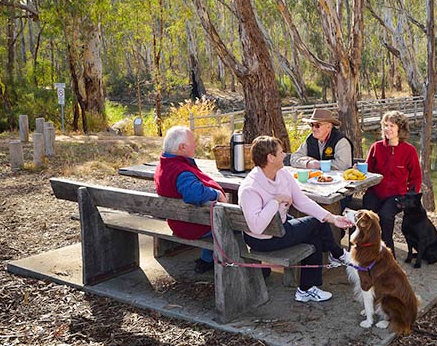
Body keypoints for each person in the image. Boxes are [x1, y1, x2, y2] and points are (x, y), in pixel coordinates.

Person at [239, 135, 353, 302]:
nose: (285, 155)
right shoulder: (250, 188)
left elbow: (302, 201)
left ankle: (307, 288)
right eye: (280, 152)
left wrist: (332, 218)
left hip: (281, 227)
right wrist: (275, 201)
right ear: (270, 158)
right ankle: (336, 254)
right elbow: (256, 227)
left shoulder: (282, 173)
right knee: (315, 224)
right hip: (263, 239)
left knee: (314, 234)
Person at [154, 125, 228, 274]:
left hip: (178, 221)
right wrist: (217, 194)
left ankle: (205, 261)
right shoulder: (180, 171)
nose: (196, 145)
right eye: (193, 142)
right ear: (182, 147)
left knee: (219, 218)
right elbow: (194, 194)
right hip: (192, 226)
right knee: (236, 225)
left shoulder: (165, 164)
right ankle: (244, 265)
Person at [363, 111, 422, 258]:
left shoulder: (409, 151)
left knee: (385, 216)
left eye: (391, 126)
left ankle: (389, 257)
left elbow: (416, 177)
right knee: (365, 216)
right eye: (385, 125)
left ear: (400, 129)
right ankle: (364, 252)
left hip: (397, 195)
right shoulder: (376, 147)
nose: (387, 129)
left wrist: (411, 198)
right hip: (375, 192)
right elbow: (366, 170)